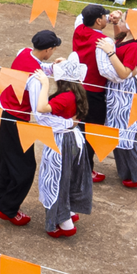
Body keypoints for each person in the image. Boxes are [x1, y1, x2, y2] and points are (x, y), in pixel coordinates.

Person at [0, 29, 62, 226]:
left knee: (7, 159)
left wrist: (52, 68)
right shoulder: (35, 81)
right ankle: (8, 208)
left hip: (3, 109)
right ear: (48, 50)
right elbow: (38, 111)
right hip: (16, 119)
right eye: (54, 48)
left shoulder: (23, 53)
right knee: (25, 168)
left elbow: (38, 66)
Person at [31, 57, 93, 237]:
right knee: (69, 176)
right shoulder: (78, 92)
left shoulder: (65, 97)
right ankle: (70, 211)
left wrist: (44, 84)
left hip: (61, 142)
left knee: (56, 179)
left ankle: (64, 222)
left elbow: (42, 107)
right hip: (74, 139)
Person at [96, 12, 137, 188]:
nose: (120, 22)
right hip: (117, 91)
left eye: (123, 20)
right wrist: (114, 22)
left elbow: (124, 73)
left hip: (125, 92)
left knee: (125, 132)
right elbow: (117, 40)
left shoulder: (136, 47)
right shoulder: (125, 37)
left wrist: (110, 54)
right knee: (124, 130)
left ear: (133, 26)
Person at [71, 3, 110, 184]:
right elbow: (106, 70)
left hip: (78, 87)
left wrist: (111, 17)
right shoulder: (104, 41)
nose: (106, 18)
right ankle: (86, 169)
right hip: (94, 92)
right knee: (91, 131)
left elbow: (81, 17)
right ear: (98, 20)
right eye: (104, 16)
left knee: (78, 127)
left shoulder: (79, 28)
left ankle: (76, 163)